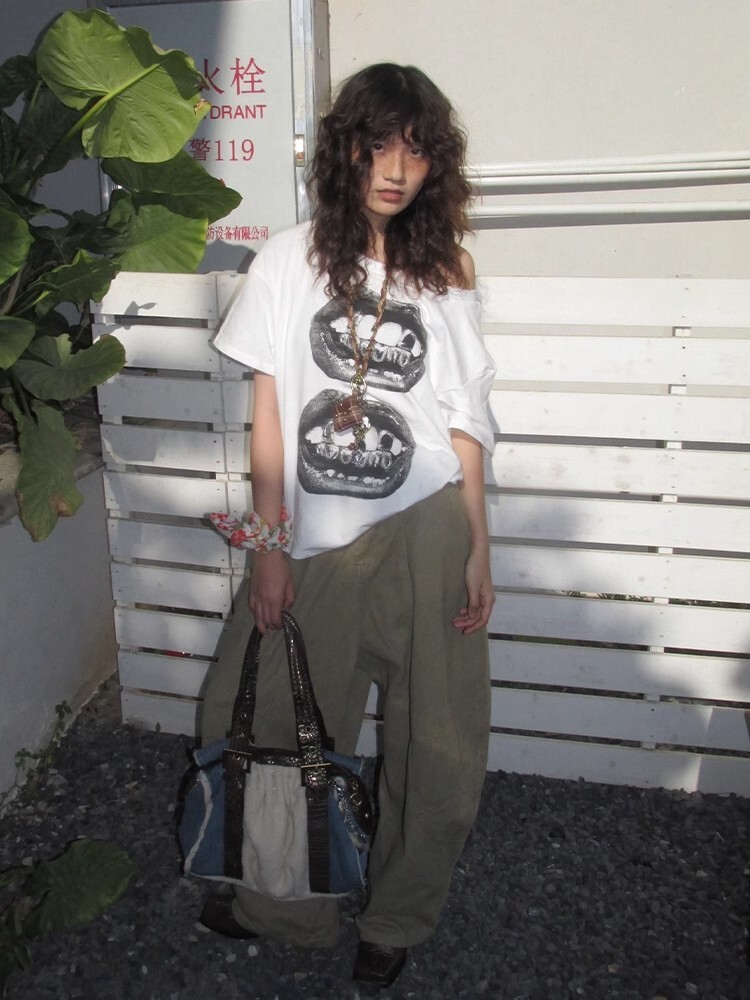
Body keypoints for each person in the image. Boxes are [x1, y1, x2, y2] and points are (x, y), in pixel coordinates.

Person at [199, 62, 496, 989]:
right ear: (345, 150)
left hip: (428, 529)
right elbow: (269, 412)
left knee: (435, 740)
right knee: (268, 718)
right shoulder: (286, 259)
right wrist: (271, 545)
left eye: (418, 150)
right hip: (317, 538)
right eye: (379, 144)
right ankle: (282, 902)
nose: (397, 169)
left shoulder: (445, 269)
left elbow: (465, 418)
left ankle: (397, 917)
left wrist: (479, 544)